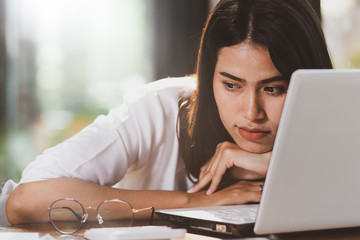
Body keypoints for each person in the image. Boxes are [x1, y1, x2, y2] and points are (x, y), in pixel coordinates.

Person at [1, 0, 332, 226]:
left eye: (273, 89)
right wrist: (199, 203)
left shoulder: (337, 122)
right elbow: (26, 199)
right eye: (231, 85)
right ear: (208, 77)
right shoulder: (158, 109)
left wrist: (274, 163)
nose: (251, 112)